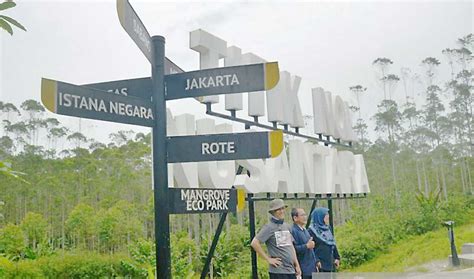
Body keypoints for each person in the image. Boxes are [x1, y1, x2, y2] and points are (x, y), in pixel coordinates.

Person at [251, 199, 302, 279]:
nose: (281, 211)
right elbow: (254, 243)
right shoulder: (269, 227)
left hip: (291, 270)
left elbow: (290, 246)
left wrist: (297, 265)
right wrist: (268, 259)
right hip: (278, 271)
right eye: (278, 209)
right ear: (273, 212)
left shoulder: (287, 226)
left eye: (282, 208)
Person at [308, 207, 340, 273]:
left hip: (330, 262)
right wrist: (316, 260)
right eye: (326, 215)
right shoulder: (311, 231)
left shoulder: (327, 229)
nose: (328, 217)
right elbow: (311, 249)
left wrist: (337, 257)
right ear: (320, 217)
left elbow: (332, 243)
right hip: (320, 264)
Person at [290, 208, 317, 279]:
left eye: (305, 215)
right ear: (295, 218)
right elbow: (293, 249)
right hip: (303, 269)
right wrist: (306, 246)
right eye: (302, 215)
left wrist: (316, 261)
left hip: (311, 268)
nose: (305, 217)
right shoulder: (293, 231)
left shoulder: (304, 230)